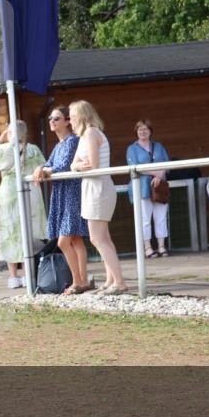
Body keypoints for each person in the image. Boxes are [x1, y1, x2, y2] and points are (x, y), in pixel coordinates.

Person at [0, 122, 47, 289]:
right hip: (30, 191)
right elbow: (44, 166)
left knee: (10, 233)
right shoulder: (33, 149)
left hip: (10, 192)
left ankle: (13, 277)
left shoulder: (4, 149)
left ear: (9, 132)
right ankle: (27, 275)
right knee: (29, 232)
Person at [69, 101, 127, 295]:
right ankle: (111, 279)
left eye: (72, 116)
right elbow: (74, 164)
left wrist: (81, 165)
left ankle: (119, 282)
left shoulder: (92, 133)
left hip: (98, 187)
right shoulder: (84, 136)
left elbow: (92, 165)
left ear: (81, 116)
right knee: (104, 237)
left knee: (97, 238)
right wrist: (78, 166)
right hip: (92, 187)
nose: (70, 120)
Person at [32, 106, 91, 294]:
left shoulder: (73, 141)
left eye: (56, 118)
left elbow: (63, 166)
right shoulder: (59, 145)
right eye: (50, 118)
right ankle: (82, 280)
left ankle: (78, 281)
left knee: (63, 242)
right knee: (75, 239)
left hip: (71, 193)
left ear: (67, 121)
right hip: (61, 193)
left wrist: (45, 170)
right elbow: (50, 164)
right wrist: (41, 168)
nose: (52, 121)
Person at [126, 119, 171, 258]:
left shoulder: (158, 146)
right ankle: (147, 248)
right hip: (142, 188)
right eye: (140, 129)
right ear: (136, 132)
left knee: (161, 218)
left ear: (150, 131)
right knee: (145, 219)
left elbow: (166, 163)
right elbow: (133, 167)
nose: (142, 132)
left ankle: (161, 246)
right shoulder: (132, 149)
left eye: (145, 129)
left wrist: (160, 175)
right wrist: (154, 173)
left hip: (159, 187)